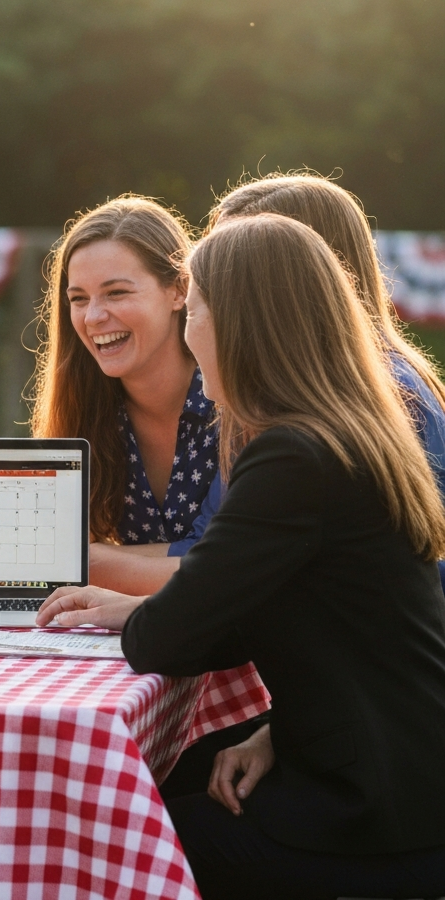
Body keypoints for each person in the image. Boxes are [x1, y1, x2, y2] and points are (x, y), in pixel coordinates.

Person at [37, 216, 445, 899]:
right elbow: (261, 607)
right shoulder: (345, 430)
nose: (192, 335)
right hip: (401, 771)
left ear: (243, 324)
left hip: (381, 814)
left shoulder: (291, 457)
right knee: (188, 776)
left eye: (195, 312)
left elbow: (169, 637)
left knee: (116, 843)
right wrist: (132, 609)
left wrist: (145, 616)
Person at [172, 173, 445, 588]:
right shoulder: (266, 395)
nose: (220, 283)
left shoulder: (386, 396)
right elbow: (210, 550)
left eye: (238, 260)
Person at [29, 197, 213, 592]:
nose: (93, 316)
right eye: (79, 298)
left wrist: (82, 562)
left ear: (179, 290)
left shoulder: (231, 400)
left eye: (115, 293)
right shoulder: (86, 410)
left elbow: (226, 564)